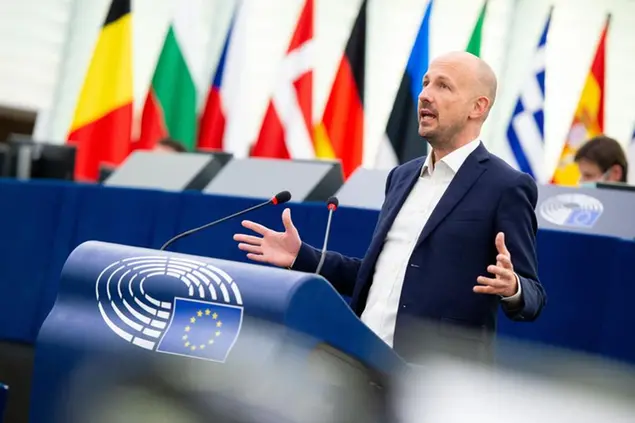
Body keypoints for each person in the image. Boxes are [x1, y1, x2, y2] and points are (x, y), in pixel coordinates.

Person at [233, 51, 546, 363]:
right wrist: (301, 256)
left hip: (434, 378)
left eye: (443, 86)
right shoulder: (402, 176)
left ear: (478, 107)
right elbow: (377, 275)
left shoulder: (506, 186)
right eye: (425, 84)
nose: (425, 95)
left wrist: (513, 286)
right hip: (363, 361)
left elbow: (533, 296)